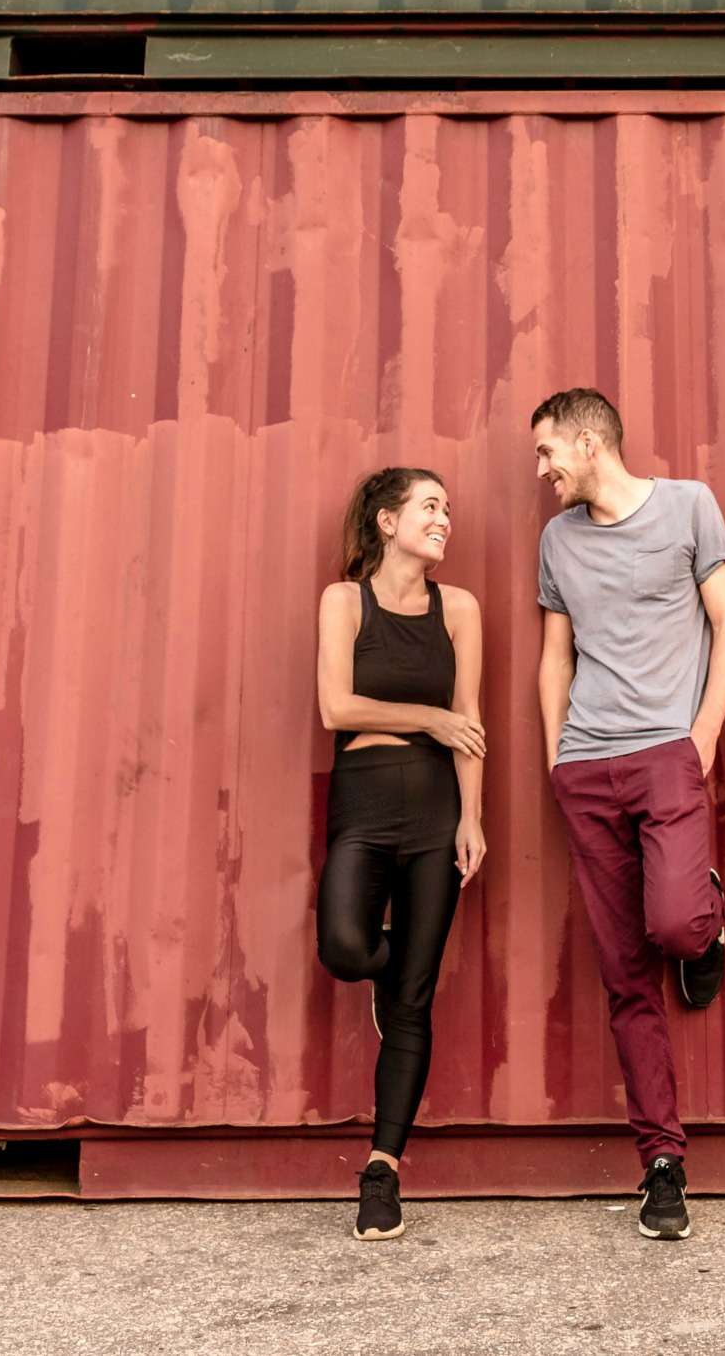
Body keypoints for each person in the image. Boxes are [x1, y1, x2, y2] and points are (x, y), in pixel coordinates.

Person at [533, 389, 725, 1241]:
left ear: (590, 443)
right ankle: (662, 1164)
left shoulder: (690, 506)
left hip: (668, 756)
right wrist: (555, 757)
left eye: (549, 452)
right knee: (625, 976)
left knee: (673, 927)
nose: (542, 471)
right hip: (586, 766)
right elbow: (555, 657)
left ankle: (708, 918)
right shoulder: (557, 540)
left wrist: (698, 741)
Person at [315, 467, 486, 1241]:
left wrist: (472, 818)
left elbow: (470, 721)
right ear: (386, 522)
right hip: (364, 796)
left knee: (413, 1003)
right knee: (346, 948)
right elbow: (335, 707)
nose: (443, 519)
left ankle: (382, 1171)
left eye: (446, 509)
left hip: (434, 812)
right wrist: (430, 717)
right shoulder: (344, 601)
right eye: (428, 507)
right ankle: (391, 969)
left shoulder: (461, 609)